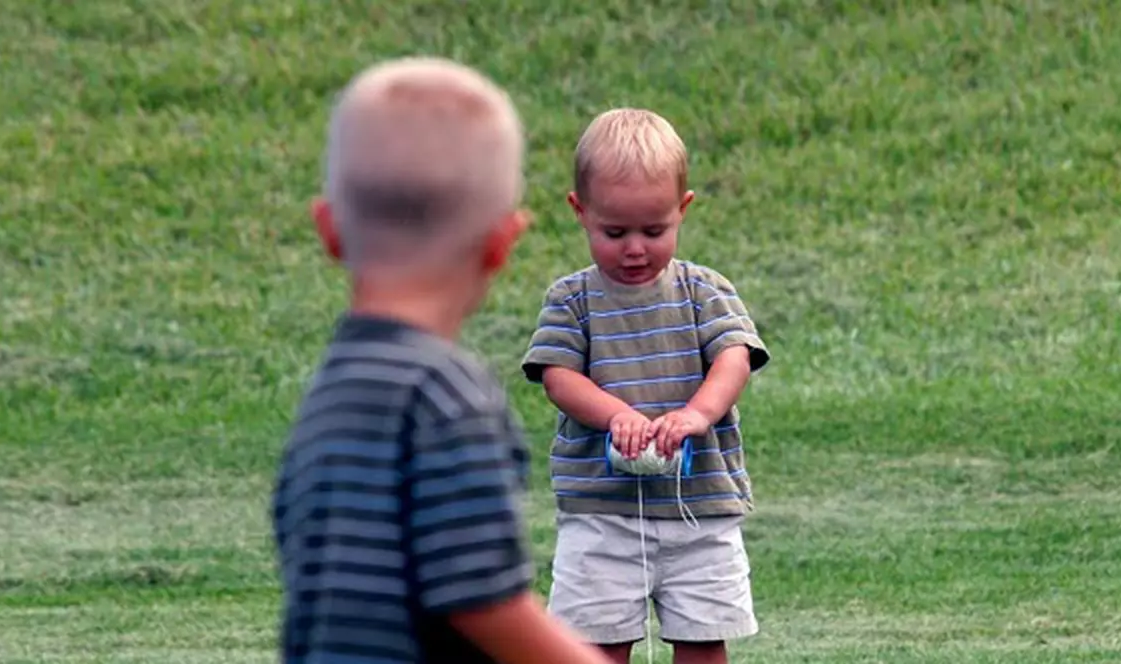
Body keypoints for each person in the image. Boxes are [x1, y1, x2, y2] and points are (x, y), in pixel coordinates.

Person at [271, 56, 610, 664]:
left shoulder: (329, 392)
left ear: (328, 230)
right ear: (501, 243)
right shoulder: (443, 396)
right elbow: (486, 604)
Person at [520, 108, 771, 664]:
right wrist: (617, 416)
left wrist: (698, 414)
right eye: (615, 232)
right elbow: (558, 377)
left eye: (654, 231)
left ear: (682, 209)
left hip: (700, 508)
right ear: (580, 212)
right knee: (596, 644)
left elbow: (734, 357)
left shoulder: (704, 291)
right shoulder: (571, 300)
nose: (635, 248)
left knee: (703, 640)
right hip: (600, 513)